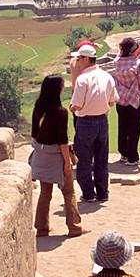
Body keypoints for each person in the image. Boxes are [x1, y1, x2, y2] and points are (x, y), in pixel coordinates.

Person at [27, 74, 83, 237]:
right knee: (68, 191)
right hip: (56, 155)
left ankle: (42, 227)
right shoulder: (60, 112)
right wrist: (67, 162)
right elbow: (62, 141)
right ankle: (74, 227)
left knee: (45, 193)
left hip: (42, 154)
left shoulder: (38, 106)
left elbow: (34, 133)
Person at [68, 45, 116, 204]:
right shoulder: (107, 76)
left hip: (85, 121)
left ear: (86, 59)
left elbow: (77, 105)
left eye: (79, 58)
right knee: (101, 157)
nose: (77, 61)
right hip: (102, 120)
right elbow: (112, 101)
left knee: (84, 159)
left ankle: (88, 193)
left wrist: (72, 108)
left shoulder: (82, 79)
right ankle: (103, 192)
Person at [111, 37, 140, 168]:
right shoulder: (138, 65)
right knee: (134, 130)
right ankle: (133, 158)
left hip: (120, 100)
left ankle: (124, 154)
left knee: (123, 127)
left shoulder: (116, 63)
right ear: (134, 50)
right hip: (134, 100)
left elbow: (119, 55)